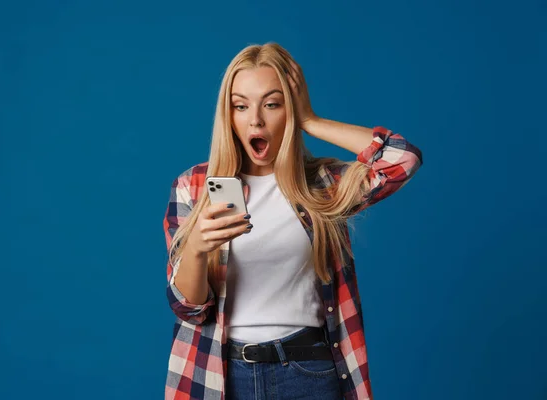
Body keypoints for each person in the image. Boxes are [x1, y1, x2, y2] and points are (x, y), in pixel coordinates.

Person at [162, 42, 423, 400]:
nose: (255, 119)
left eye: (272, 104)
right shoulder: (193, 188)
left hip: (308, 374)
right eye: (241, 106)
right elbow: (188, 308)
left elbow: (402, 158)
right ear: (229, 115)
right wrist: (195, 248)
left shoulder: (323, 185)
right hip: (221, 375)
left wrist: (311, 121)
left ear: (290, 108)